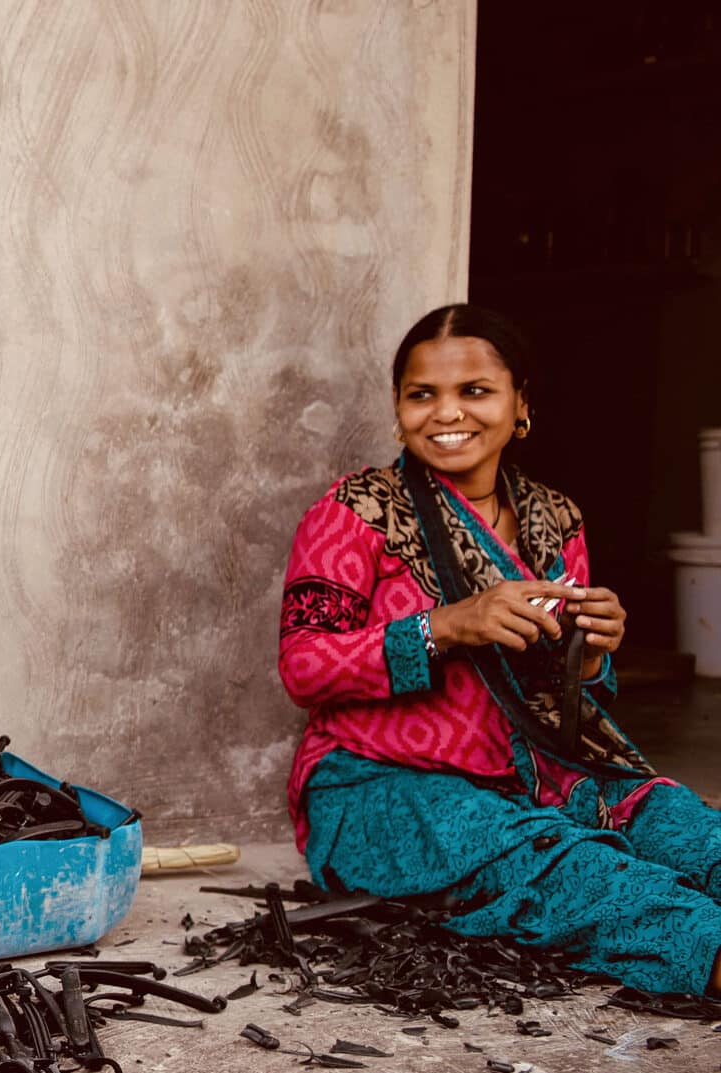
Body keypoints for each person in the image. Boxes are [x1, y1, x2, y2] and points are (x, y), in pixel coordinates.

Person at [279, 303, 721, 998]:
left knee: (686, 828)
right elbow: (304, 668)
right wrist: (448, 625)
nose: (446, 413)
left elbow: (567, 703)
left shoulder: (556, 518)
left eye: (475, 391)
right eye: (422, 394)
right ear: (399, 409)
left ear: (520, 406)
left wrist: (596, 653)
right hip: (379, 789)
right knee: (572, 872)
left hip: (539, 776)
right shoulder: (352, 513)